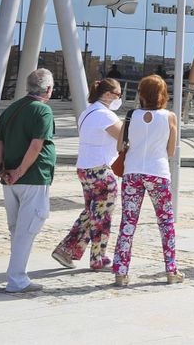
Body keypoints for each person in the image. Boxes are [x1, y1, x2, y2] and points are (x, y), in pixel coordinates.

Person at [111, 74, 181, 285]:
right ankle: (171, 270)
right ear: (163, 94)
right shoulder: (170, 117)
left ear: (141, 94)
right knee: (166, 222)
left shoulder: (131, 116)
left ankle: (121, 272)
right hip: (158, 173)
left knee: (128, 222)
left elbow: (119, 147)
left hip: (133, 173)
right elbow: (170, 151)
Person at [0, 69, 57, 293]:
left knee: (16, 228)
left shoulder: (13, 107)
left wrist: (3, 168)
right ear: (48, 89)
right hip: (33, 176)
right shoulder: (42, 110)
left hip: (10, 178)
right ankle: (17, 279)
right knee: (27, 228)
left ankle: (16, 274)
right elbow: (36, 144)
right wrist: (20, 170)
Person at [54, 78, 123, 271]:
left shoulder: (87, 112)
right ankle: (98, 258)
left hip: (85, 167)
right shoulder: (105, 115)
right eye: (118, 94)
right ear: (108, 95)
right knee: (102, 216)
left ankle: (66, 250)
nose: (120, 98)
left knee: (92, 212)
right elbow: (124, 138)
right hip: (101, 169)